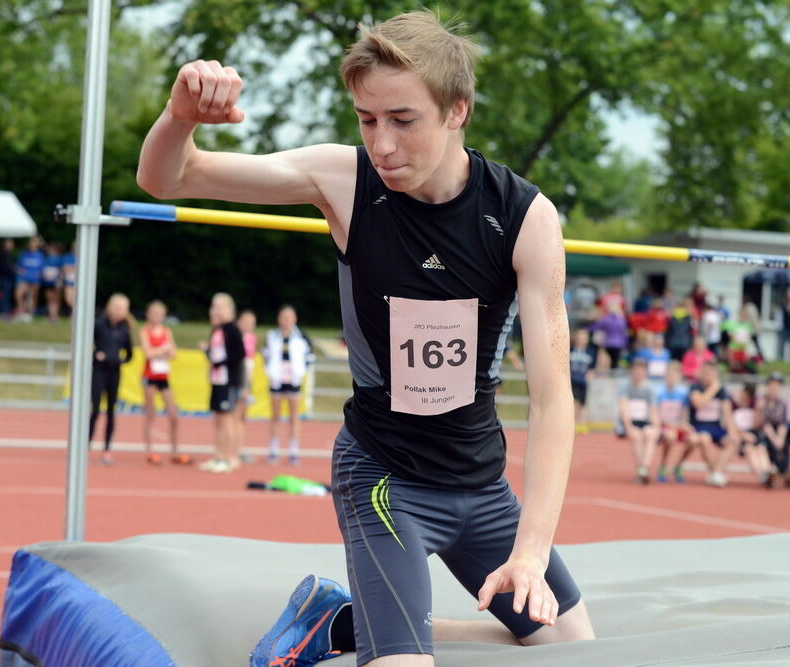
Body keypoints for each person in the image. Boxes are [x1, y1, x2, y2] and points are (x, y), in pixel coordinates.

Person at [138, 11, 594, 666]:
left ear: (456, 111)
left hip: (480, 484)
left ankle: (343, 623)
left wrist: (530, 550)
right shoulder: (344, 182)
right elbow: (169, 179)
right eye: (366, 119)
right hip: (386, 476)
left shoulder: (524, 217)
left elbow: (553, 400)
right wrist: (179, 114)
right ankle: (388, 637)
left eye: (402, 120)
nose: (381, 143)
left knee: (575, 648)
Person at [200, 292, 246, 473]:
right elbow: (214, 354)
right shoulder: (216, 330)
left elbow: (239, 353)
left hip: (229, 380)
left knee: (228, 418)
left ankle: (230, 457)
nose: (215, 310)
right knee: (218, 418)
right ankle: (219, 455)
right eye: (214, 306)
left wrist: (219, 363)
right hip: (217, 380)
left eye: (220, 307)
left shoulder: (232, 329)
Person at [264, 305, 313, 465]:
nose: (285, 321)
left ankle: (293, 451)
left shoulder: (301, 336)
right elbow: (266, 355)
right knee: (275, 416)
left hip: (293, 380)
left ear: (294, 319)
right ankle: (273, 450)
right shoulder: (272, 336)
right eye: (283, 317)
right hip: (277, 380)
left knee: (294, 417)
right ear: (278, 319)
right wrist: (270, 372)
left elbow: (309, 356)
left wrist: (300, 372)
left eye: (289, 317)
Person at [89, 293, 133, 465]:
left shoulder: (124, 329)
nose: (119, 311)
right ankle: (86, 445)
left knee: (111, 411)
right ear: (109, 307)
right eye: (117, 307)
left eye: (123, 308)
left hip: (114, 372)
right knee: (95, 409)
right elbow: (87, 345)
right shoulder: (99, 325)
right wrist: (96, 354)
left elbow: (129, 354)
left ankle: (107, 448)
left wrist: (120, 360)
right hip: (99, 371)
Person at [140, 300, 184, 465]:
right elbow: (148, 353)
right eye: (153, 313)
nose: (156, 316)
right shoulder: (144, 331)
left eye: (159, 314)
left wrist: (161, 352)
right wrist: (163, 350)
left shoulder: (166, 331)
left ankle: (174, 450)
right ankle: (149, 450)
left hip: (164, 376)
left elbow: (174, 354)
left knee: (173, 415)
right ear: (148, 314)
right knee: (150, 413)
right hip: (150, 376)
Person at [688, 360, 738, 487]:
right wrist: (713, 388)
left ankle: (716, 472)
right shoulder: (695, 387)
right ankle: (716, 472)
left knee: (733, 441)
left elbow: (727, 414)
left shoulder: (722, 391)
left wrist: (732, 432)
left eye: (711, 373)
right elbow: (699, 404)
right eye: (706, 373)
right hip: (699, 426)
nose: (708, 376)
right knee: (705, 439)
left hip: (716, 427)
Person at [619, 359, 659, 484]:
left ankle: (644, 468)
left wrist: (656, 427)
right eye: (636, 372)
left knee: (650, 433)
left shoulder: (650, 388)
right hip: (630, 421)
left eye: (641, 372)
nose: (638, 375)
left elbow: (653, 410)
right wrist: (628, 427)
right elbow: (624, 408)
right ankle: (641, 469)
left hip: (645, 421)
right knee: (636, 435)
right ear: (632, 372)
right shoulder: (625, 387)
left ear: (645, 373)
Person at [655, 361, 692, 483]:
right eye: (669, 375)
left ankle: (678, 466)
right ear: (665, 376)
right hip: (663, 427)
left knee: (694, 439)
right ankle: (663, 466)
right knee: (670, 436)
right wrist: (669, 424)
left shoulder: (683, 393)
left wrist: (684, 425)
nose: (671, 378)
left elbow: (684, 414)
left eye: (674, 375)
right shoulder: (658, 392)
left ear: (679, 377)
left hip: (677, 426)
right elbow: (657, 415)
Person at [729, 384, 771, 485]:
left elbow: (756, 424)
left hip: (752, 433)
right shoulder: (732, 404)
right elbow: (730, 424)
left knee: (761, 449)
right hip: (740, 435)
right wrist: (742, 434)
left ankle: (768, 472)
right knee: (749, 450)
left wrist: (759, 409)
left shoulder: (753, 405)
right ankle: (762, 475)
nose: (744, 397)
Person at [758, 372, 790, 488]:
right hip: (765, 431)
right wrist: (775, 439)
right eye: (772, 387)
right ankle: (777, 471)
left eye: (777, 387)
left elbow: (784, 422)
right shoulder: (762, 402)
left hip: (778, 430)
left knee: (785, 441)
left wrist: (780, 438)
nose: (774, 390)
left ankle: (786, 470)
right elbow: (764, 423)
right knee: (770, 443)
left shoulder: (783, 403)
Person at [235, 309, 258, 461]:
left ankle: (239, 447)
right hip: (237, 381)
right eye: (245, 322)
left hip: (246, 381)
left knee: (242, 417)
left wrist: (248, 385)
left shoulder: (251, 338)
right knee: (235, 416)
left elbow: (250, 362)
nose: (248, 325)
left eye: (251, 323)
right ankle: (233, 448)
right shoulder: (235, 338)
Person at [569, 328, 596, 435]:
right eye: (579, 338)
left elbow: (592, 367)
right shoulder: (570, 350)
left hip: (583, 382)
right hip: (573, 380)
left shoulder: (591, 352)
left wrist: (591, 374)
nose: (581, 340)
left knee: (583, 404)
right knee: (574, 402)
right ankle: (573, 423)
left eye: (583, 338)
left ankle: (581, 423)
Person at [15, 237, 44, 321]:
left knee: (32, 297)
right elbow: (19, 266)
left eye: (34, 243)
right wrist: (20, 271)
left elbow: (42, 269)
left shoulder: (40, 255)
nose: (32, 245)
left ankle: (30, 313)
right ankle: (21, 311)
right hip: (24, 278)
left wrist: (38, 276)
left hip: (35, 279)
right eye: (31, 243)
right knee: (19, 293)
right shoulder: (24, 254)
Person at [589, 303, 627, 369]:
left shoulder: (606, 319)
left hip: (609, 343)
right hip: (619, 344)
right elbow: (623, 332)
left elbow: (596, 326)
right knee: (615, 361)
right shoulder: (622, 320)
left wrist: (587, 328)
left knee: (608, 360)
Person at [664, 297, 695, 362]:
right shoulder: (689, 316)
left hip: (674, 342)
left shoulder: (673, 314)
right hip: (683, 343)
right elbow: (692, 331)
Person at [0, 239, 17, 318]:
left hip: (6, 279)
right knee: (4, 296)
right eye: (10, 244)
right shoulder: (3, 254)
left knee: (6, 296)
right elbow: (4, 268)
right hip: (4, 278)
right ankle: (3, 313)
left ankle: (4, 311)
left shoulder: (8, 254)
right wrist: (14, 270)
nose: (12, 245)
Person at [40, 242, 63, 322]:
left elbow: (62, 270)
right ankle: (51, 316)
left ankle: (55, 316)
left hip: (56, 281)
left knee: (56, 299)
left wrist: (59, 279)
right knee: (49, 299)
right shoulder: (46, 259)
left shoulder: (60, 259)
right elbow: (43, 270)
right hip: (47, 281)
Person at [62, 242, 77, 314]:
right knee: (68, 299)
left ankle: (74, 314)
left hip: (78, 282)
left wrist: (71, 268)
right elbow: (65, 269)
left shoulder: (83, 256)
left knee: (77, 299)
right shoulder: (68, 257)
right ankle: (75, 312)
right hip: (69, 281)